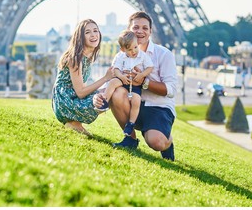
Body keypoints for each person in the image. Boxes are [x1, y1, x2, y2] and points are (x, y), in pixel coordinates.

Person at [93, 11, 178, 161]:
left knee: (156, 142)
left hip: (158, 107)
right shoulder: (122, 55)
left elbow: (170, 91)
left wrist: (144, 82)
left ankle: (167, 142)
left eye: (145, 28)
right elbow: (111, 82)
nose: (140, 31)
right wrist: (98, 96)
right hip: (131, 102)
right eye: (136, 27)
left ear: (150, 31)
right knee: (117, 92)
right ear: (129, 30)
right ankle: (130, 139)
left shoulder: (164, 54)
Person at [52, 19, 113, 136]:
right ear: (80, 37)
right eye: (87, 32)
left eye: (95, 30)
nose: (93, 35)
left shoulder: (86, 57)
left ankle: (75, 123)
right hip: (65, 102)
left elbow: (82, 87)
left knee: (111, 91)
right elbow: (80, 92)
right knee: (109, 94)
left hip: (70, 98)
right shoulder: (75, 58)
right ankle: (73, 122)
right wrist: (105, 78)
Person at [95, 29, 154, 137]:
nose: (133, 51)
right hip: (122, 80)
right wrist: (121, 76)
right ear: (122, 49)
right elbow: (116, 69)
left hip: (135, 84)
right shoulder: (120, 56)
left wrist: (141, 75)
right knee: (113, 82)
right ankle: (105, 101)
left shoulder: (143, 56)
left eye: (135, 47)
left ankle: (131, 123)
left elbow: (150, 67)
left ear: (137, 44)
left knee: (136, 101)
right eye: (130, 49)